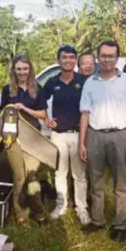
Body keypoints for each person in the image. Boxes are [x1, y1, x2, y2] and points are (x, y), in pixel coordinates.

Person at [79, 40, 126, 242]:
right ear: (98, 57)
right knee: (95, 182)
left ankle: (121, 225)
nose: (107, 59)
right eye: (103, 56)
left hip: (119, 136)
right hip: (95, 136)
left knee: (120, 184)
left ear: (117, 58)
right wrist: (82, 142)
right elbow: (85, 115)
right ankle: (97, 221)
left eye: (111, 56)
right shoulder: (90, 83)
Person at [43, 45, 90, 224]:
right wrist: (46, 119)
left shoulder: (83, 81)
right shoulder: (52, 83)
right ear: (58, 61)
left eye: (71, 57)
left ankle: (82, 209)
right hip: (58, 135)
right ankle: (61, 206)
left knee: (79, 175)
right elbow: (41, 101)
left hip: (78, 134)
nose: (68, 60)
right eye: (64, 57)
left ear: (75, 60)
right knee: (60, 173)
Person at [0, 54, 48, 226]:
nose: (22, 72)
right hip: (13, 139)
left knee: (32, 176)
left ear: (30, 69)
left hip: (33, 137)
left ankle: (39, 211)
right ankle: (21, 213)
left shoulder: (38, 88)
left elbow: (43, 114)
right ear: (14, 70)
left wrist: (25, 108)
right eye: (19, 69)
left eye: (25, 69)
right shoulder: (7, 90)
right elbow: (1, 115)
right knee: (19, 176)